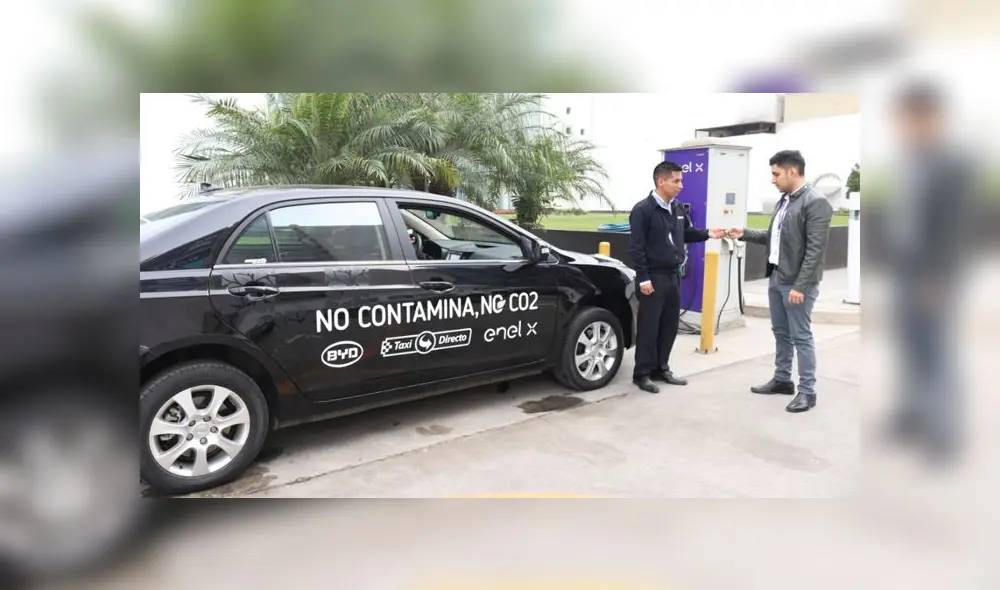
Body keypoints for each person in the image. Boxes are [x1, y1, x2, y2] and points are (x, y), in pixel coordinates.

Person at [880, 81, 971, 464]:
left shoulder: (953, 164)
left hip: (933, 274)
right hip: (905, 267)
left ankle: (945, 433)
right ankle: (913, 414)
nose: (907, 125)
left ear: (934, 118)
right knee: (909, 347)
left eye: (914, 118)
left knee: (936, 352)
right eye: (903, 119)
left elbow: (956, 227)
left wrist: (939, 277)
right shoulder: (908, 160)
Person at [727, 150, 833, 413]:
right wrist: (744, 233)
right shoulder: (785, 201)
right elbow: (776, 237)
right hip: (777, 276)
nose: (773, 180)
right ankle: (783, 380)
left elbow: (815, 250)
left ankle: (807, 392)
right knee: (781, 333)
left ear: (792, 172)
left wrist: (800, 285)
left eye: (776, 174)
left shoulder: (815, 202)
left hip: (797, 283)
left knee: (801, 336)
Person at [628, 160, 726, 394]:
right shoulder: (643, 210)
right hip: (653, 276)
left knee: (669, 325)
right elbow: (636, 248)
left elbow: (687, 234)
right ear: (661, 181)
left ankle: (662, 368)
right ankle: (642, 373)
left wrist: (708, 233)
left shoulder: (677, 208)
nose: (681, 185)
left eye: (681, 180)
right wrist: (643, 278)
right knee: (649, 327)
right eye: (676, 180)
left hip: (674, 276)